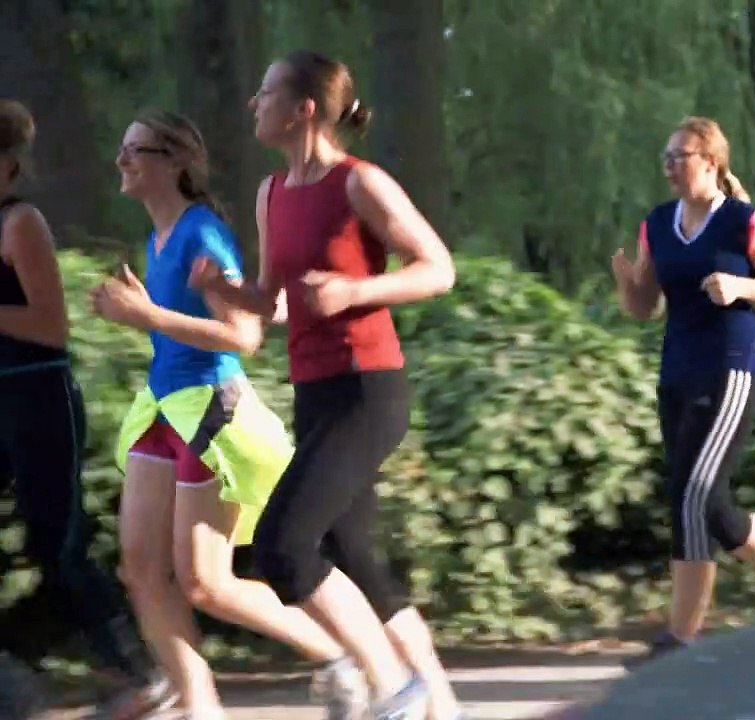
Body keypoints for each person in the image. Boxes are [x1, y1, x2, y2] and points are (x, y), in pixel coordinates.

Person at [190, 50, 462, 720]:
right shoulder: (271, 193)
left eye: (265, 92)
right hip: (314, 390)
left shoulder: (359, 183)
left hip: (368, 389)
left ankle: (395, 687)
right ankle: (444, 705)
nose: (254, 103)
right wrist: (226, 291)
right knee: (356, 557)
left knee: (284, 546)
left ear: (304, 107)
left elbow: (438, 269)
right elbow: (277, 302)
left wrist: (358, 289)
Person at [89, 109, 371, 719]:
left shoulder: (202, 234)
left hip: (210, 412)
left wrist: (148, 319)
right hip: (161, 407)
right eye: (123, 149)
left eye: (137, 150)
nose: (122, 161)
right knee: (139, 569)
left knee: (204, 584)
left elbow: (243, 335)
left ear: (177, 161)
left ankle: (336, 655)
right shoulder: (158, 237)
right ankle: (200, 704)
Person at [609, 115, 755, 668]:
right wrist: (626, 280)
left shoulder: (745, 222)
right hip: (677, 373)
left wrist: (740, 286)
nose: (668, 165)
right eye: (665, 157)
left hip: (730, 369)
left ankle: (681, 641)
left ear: (710, 161)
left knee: (692, 497)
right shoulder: (657, 225)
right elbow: (644, 309)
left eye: (678, 155)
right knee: (711, 507)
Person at [0, 99, 174, 719]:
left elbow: (51, 326)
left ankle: (139, 672)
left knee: (58, 541)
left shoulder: (20, 224)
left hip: (37, 396)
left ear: (7, 165)